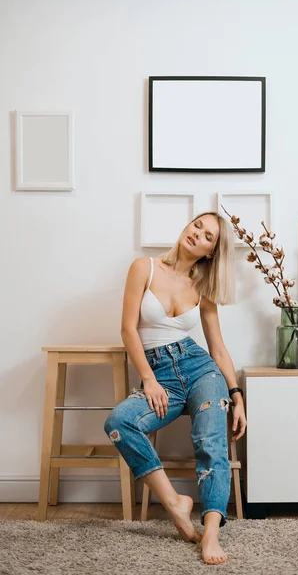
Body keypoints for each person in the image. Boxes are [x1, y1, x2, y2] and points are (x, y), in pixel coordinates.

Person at [104, 211, 247, 565]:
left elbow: (217, 348)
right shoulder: (144, 267)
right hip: (160, 375)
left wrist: (236, 394)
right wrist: (149, 379)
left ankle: (211, 531)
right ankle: (175, 503)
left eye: (208, 236)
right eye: (197, 225)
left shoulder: (203, 287)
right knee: (120, 422)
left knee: (210, 443)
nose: (197, 233)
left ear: (212, 252)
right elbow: (128, 329)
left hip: (201, 371)